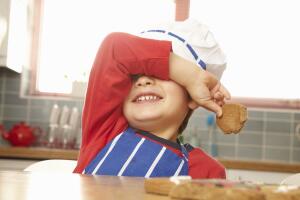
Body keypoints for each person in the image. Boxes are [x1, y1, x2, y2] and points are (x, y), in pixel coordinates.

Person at [73, 19, 230, 179]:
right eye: (135, 76)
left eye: (161, 73)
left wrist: (191, 77)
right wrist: (193, 75)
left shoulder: (205, 170)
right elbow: (114, 47)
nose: (143, 81)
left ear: (192, 97)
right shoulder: (105, 131)